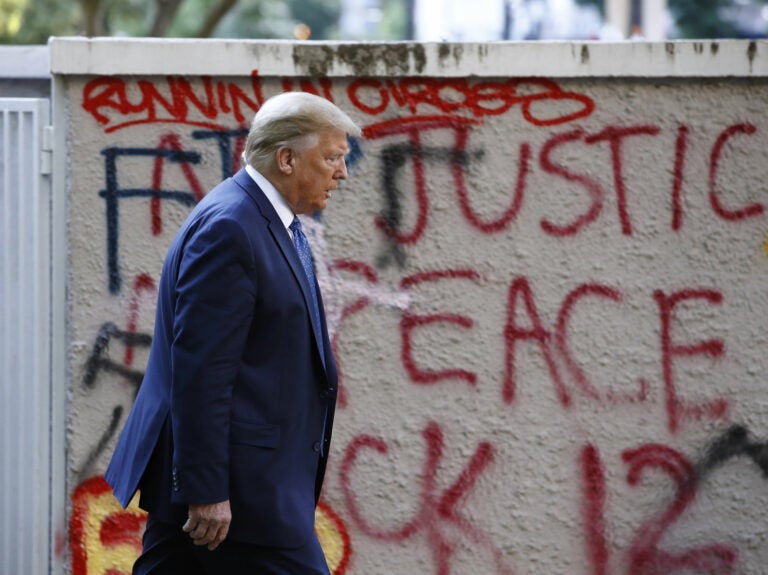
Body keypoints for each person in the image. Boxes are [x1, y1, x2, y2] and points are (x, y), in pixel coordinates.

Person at [104, 91, 361, 574]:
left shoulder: (262, 219)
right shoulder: (232, 227)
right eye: (332, 158)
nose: (342, 173)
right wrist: (206, 491)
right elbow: (202, 370)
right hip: (241, 495)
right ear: (286, 159)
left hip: (242, 483)